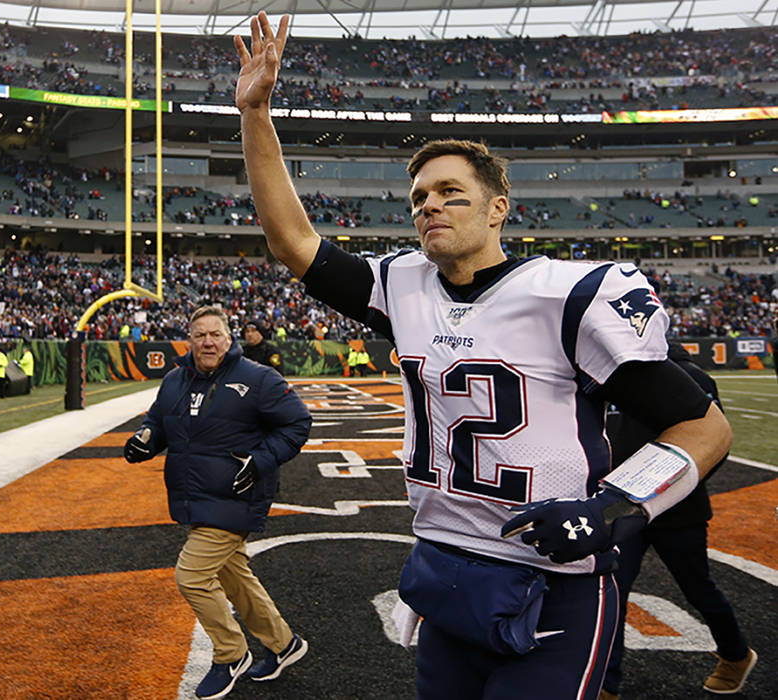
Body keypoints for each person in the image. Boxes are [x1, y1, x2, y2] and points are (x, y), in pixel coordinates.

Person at [233, 13, 732, 699]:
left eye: (450, 193)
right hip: (446, 569)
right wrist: (255, 114)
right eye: (419, 198)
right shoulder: (402, 285)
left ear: (498, 208)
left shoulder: (569, 295)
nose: (429, 206)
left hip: (554, 581)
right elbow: (294, 243)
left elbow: (705, 428)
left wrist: (614, 509)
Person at [123, 305, 311, 700]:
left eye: (215, 334)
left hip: (237, 495)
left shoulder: (258, 378)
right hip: (196, 494)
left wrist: (260, 461)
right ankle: (284, 644)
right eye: (200, 335)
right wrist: (144, 441)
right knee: (233, 576)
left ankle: (231, 654)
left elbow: (297, 423)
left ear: (229, 338)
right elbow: (158, 422)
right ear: (189, 340)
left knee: (191, 576)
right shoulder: (175, 380)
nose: (207, 342)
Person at [600, 342, 755, 699]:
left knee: (697, 587)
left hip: (679, 508)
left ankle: (735, 655)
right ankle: (606, 683)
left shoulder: (691, 376)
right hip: (623, 504)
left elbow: (713, 444)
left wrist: (677, 486)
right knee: (612, 591)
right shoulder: (610, 371)